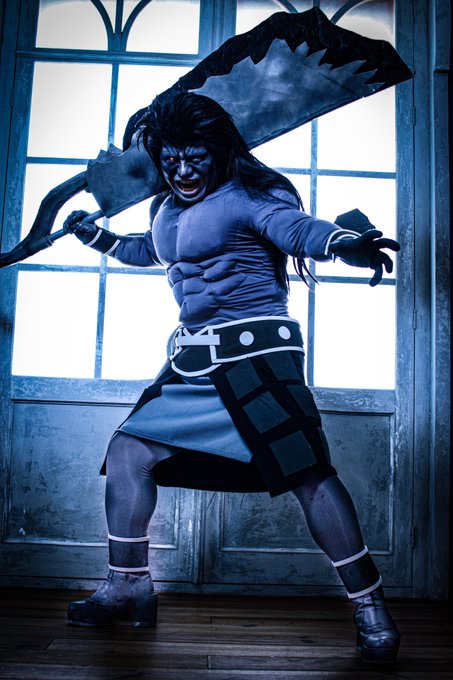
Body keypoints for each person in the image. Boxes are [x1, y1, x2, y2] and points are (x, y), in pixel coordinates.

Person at [63, 92, 400, 664]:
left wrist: (347, 245)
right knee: (127, 452)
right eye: (172, 160)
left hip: (257, 354)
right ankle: (129, 586)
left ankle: (371, 609)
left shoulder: (249, 198)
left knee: (308, 476)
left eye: (195, 158)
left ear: (218, 152)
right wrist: (100, 240)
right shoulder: (165, 209)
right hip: (192, 362)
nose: (183, 171)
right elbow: (157, 252)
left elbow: (299, 230)